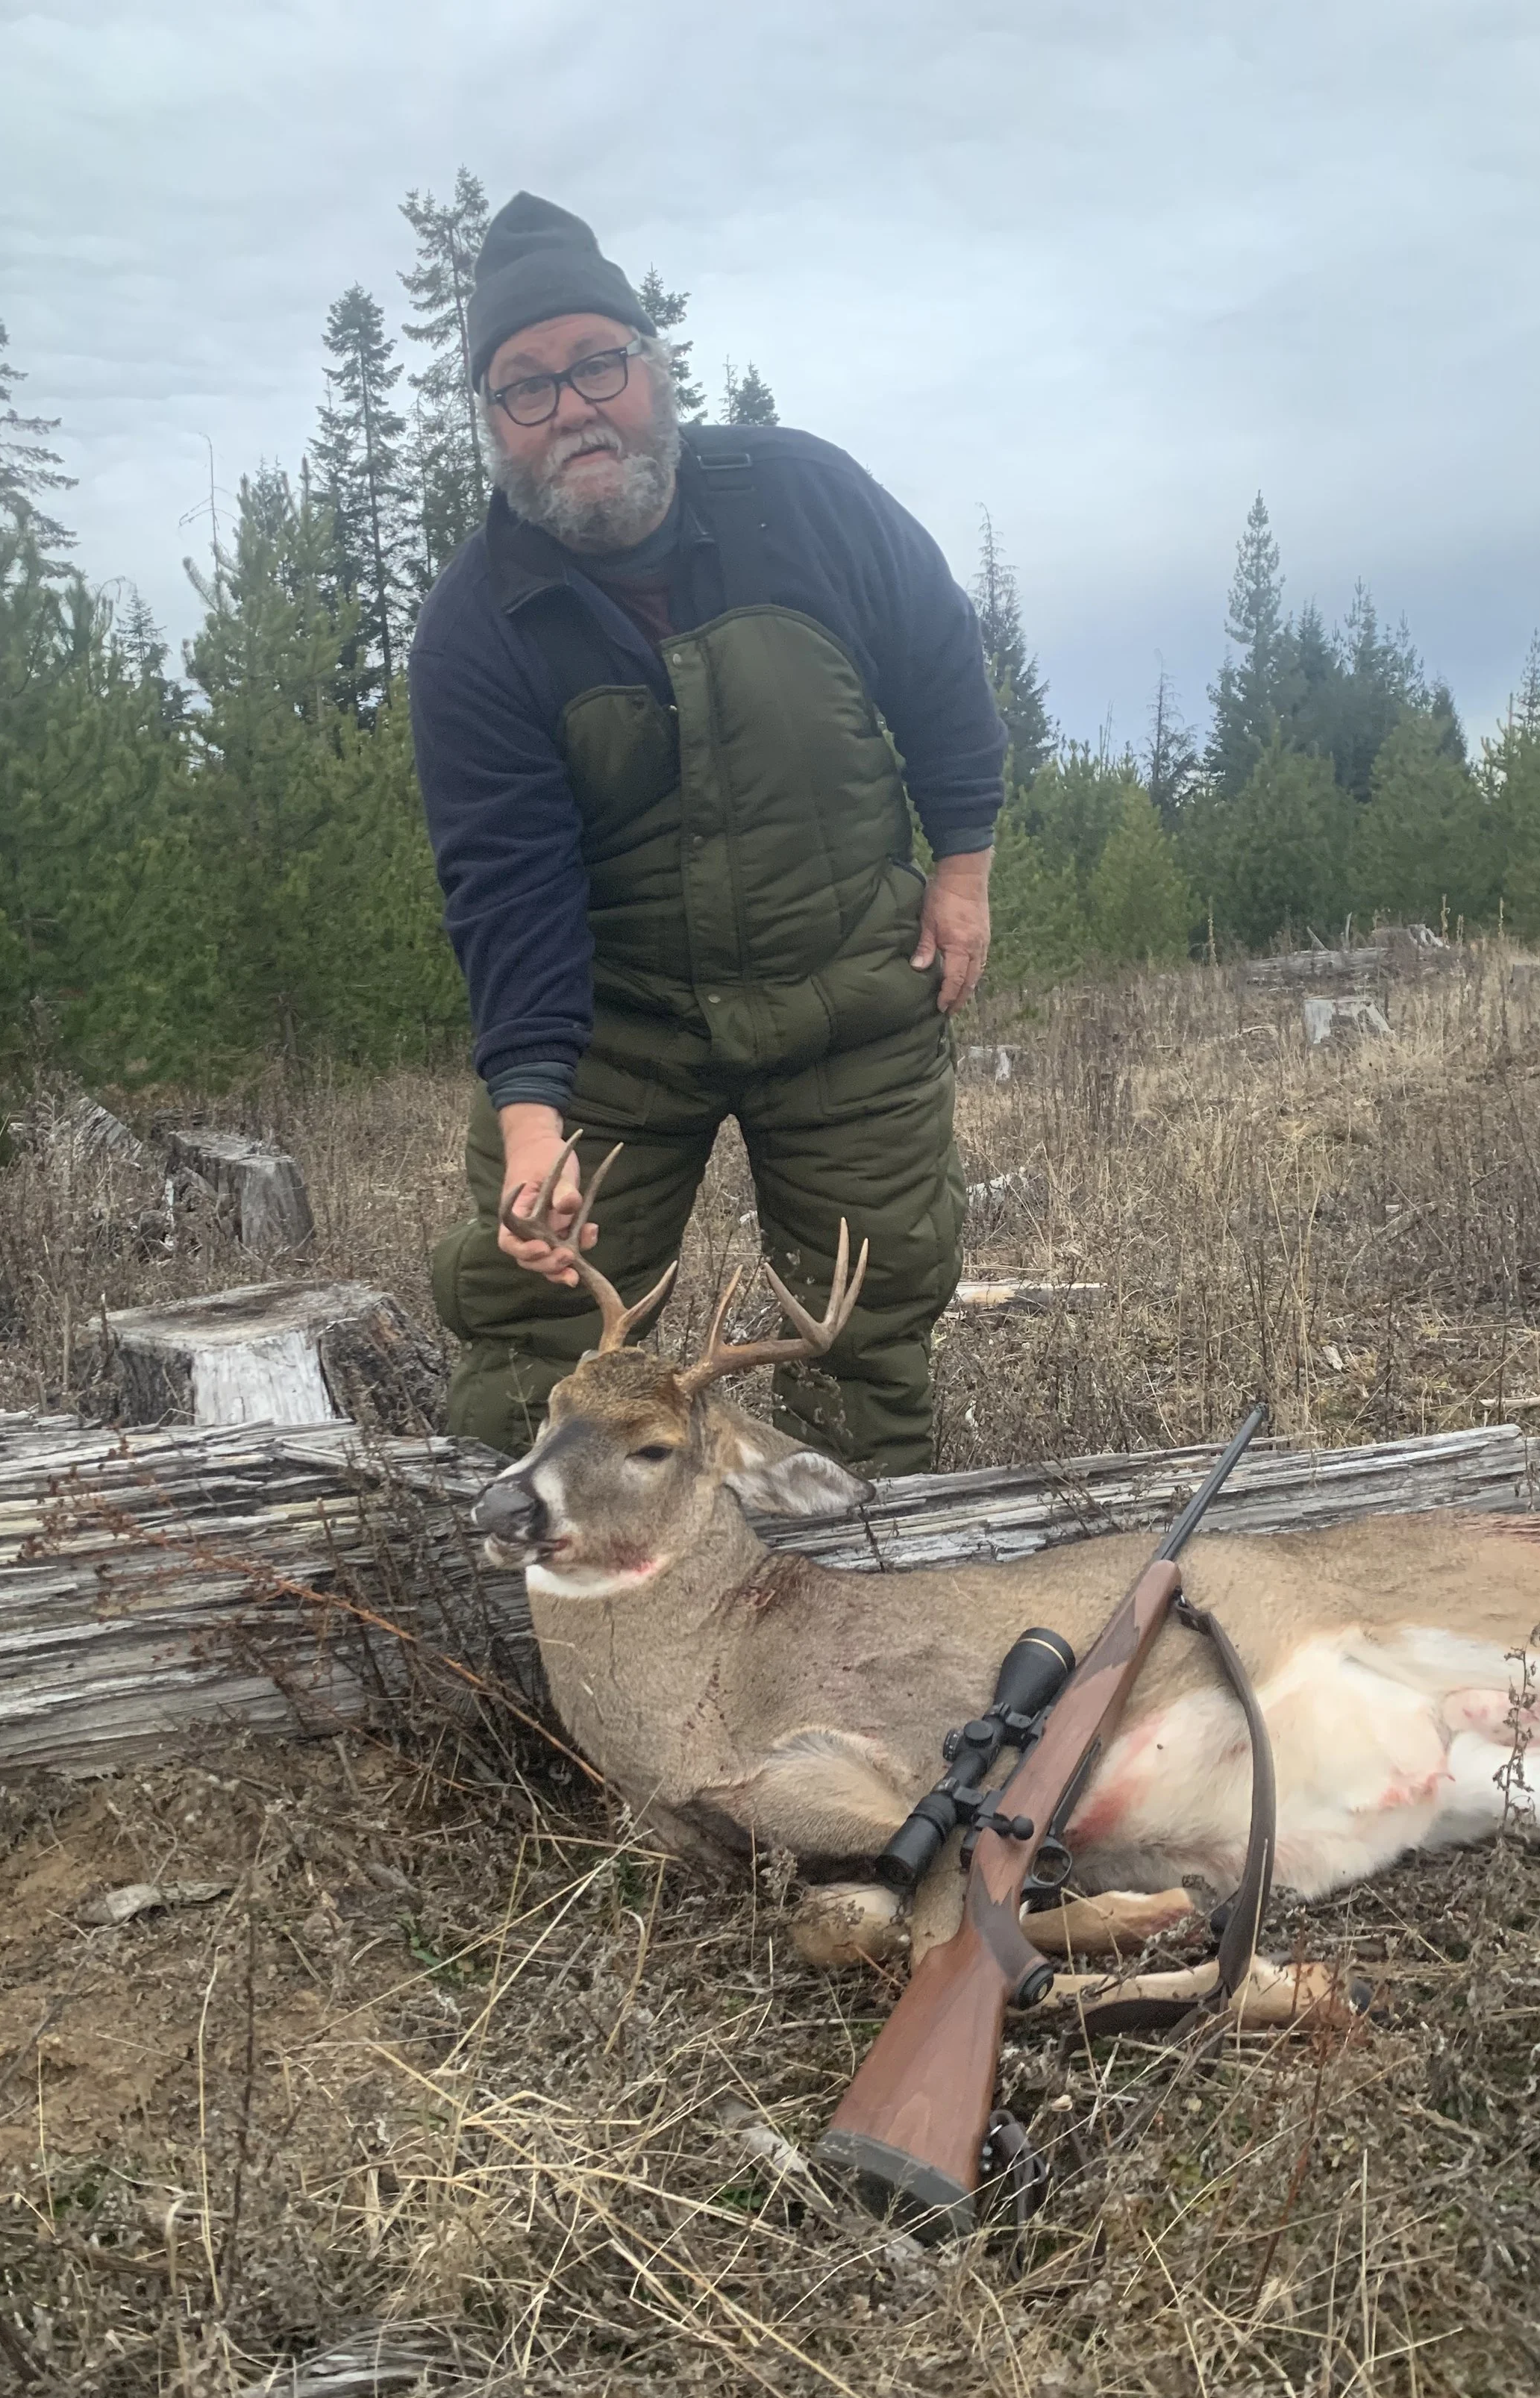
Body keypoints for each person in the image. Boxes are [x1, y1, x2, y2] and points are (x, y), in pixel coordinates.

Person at [411, 192, 1006, 1474]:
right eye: (525, 386)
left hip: (850, 989)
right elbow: (505, 886)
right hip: (617, 1033)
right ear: (492, 424)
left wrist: (963, 871)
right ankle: (530, 1621)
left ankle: (872, 1589)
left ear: (652, 367)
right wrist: (531, 1122)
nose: (571, 406)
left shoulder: (805, 498)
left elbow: (941, 669)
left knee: (873, 1332)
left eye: (596, 364)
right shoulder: (481, 628)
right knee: (537, 1342)